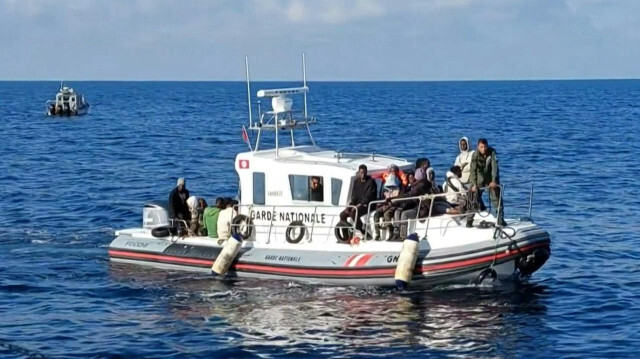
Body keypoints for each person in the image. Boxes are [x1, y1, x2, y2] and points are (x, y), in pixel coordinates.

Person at [468, 138, 505, 227]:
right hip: (479, 176)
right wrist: (474, 184)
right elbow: (473, 170)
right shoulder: (475, 155)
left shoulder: (492, 153)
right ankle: (469, 220)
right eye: (481, 147)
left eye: (485, 147)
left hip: (490, 176)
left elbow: (494, 167)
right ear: (478, 147)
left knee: (497, 198)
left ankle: (500, 220)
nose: (483, 149)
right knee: (474, 198)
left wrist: (494, 181)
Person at [340, 164, 377, 236]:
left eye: (364, 173)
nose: (362, 175)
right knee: (342, 214)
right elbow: (354, 197)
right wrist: (349, 207)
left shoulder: (371, 182)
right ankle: (345, 235)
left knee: (353, 213)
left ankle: (364, 232)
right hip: (358, 203)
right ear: (359, 173)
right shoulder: (357, 182)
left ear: (366, 172)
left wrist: (358, 206)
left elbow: (368, 197)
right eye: (361, 173)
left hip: (367, 204)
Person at [373, 173, 402, 241]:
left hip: (393, 207)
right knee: (376, 214)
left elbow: (395, 202)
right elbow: (383, 198)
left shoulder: (398, 190)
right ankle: (377, 233)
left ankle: (391, 232)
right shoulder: (385, 189)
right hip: (385, 206)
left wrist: (388, 204)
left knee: (387, 214)